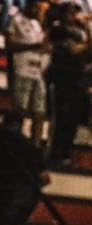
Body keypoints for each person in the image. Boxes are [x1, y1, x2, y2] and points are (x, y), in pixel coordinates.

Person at [46, 1, 92, 166]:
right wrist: (85, 45)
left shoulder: (80, 31)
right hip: (62, 77)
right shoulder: (58, 29)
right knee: (61, 117)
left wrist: (88, 29)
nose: (73, 16)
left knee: (74, 117)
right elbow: (72, 50)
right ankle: (55, 152)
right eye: (70, 12)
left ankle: (66, 151)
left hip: (77, 78)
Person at [5, 0, 50, 147]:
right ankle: (15, 145)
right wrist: (33, 46)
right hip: (22, 69)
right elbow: (10, 45)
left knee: (39, 111)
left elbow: (43, 46)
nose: (36, 9)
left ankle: (35, 146)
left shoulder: (36, 24)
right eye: (34, 6)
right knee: (20, 109)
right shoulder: (16, 20)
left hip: (38, 71)